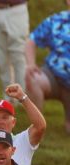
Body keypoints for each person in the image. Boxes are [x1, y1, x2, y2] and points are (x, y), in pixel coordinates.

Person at [25, 2, 70, 135]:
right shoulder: (56, 20)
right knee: (33, 78)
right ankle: (37, 127)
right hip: (53, 76)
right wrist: (30, 64)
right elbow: (31, 40)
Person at [0, 1, 29, 94]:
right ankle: (8, 96)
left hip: (16, 9)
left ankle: (23, 97)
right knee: (1, 57)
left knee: (19, 55)